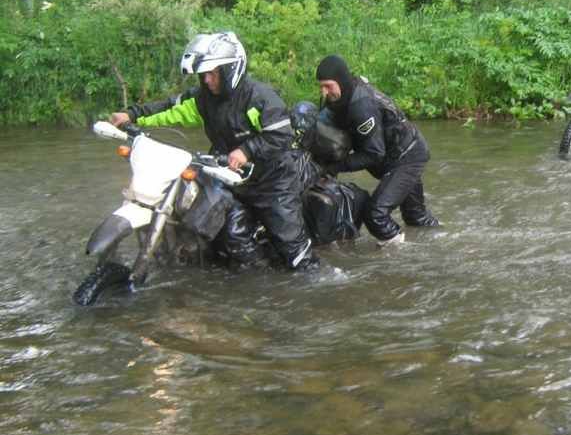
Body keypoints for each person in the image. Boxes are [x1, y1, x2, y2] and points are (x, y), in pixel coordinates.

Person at [109, 31, 319, 271]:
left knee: (294, 251)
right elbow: (169, 108)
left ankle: (310, 276)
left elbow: (281, 135)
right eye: (203, 75)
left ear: (230, 70)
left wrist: (246, 150)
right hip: (228, 177)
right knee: (225, 233)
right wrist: (132, 114)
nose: (207, 80)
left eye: (212, 74)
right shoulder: (203, 99)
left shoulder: (259, 98)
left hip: (273, 181)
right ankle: (256, 274)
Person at [315, 54, 438, 246]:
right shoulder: (338, 97)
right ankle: (441, 243)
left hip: (407, 156)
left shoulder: (361, 106)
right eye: (321, 86)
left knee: (375, 214)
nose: (324, 92)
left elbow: (373, 154)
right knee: (417, 218)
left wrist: (335, 167)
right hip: (399, 153)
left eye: (328, 86)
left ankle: (405, 256)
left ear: (341, 81)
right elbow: (321, 125)